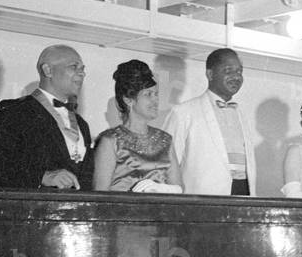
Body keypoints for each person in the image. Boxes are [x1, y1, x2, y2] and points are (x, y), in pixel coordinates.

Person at [0, 44, 93, 189]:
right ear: (47, 70)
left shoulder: (82, 124)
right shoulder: (14, 110)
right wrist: (42, 176)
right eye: (74, 67)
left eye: (82, 69)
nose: (82, 74)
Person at [163, 47, 255, 196]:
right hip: (200, 202)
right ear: (210, 74)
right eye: (228, 71)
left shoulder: (241, 115)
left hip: (243, 195)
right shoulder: (183, 112)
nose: (236, 77)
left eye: (239, 71)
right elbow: (166, 166)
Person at [92, 60, 180, 193]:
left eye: (156, 94)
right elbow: (100, 194)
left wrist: (161, 188)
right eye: (148, 94)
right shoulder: (110, 141)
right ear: (128, 100)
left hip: (162, 212)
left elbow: (179, 187)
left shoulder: (165, 139)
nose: (155, 100)